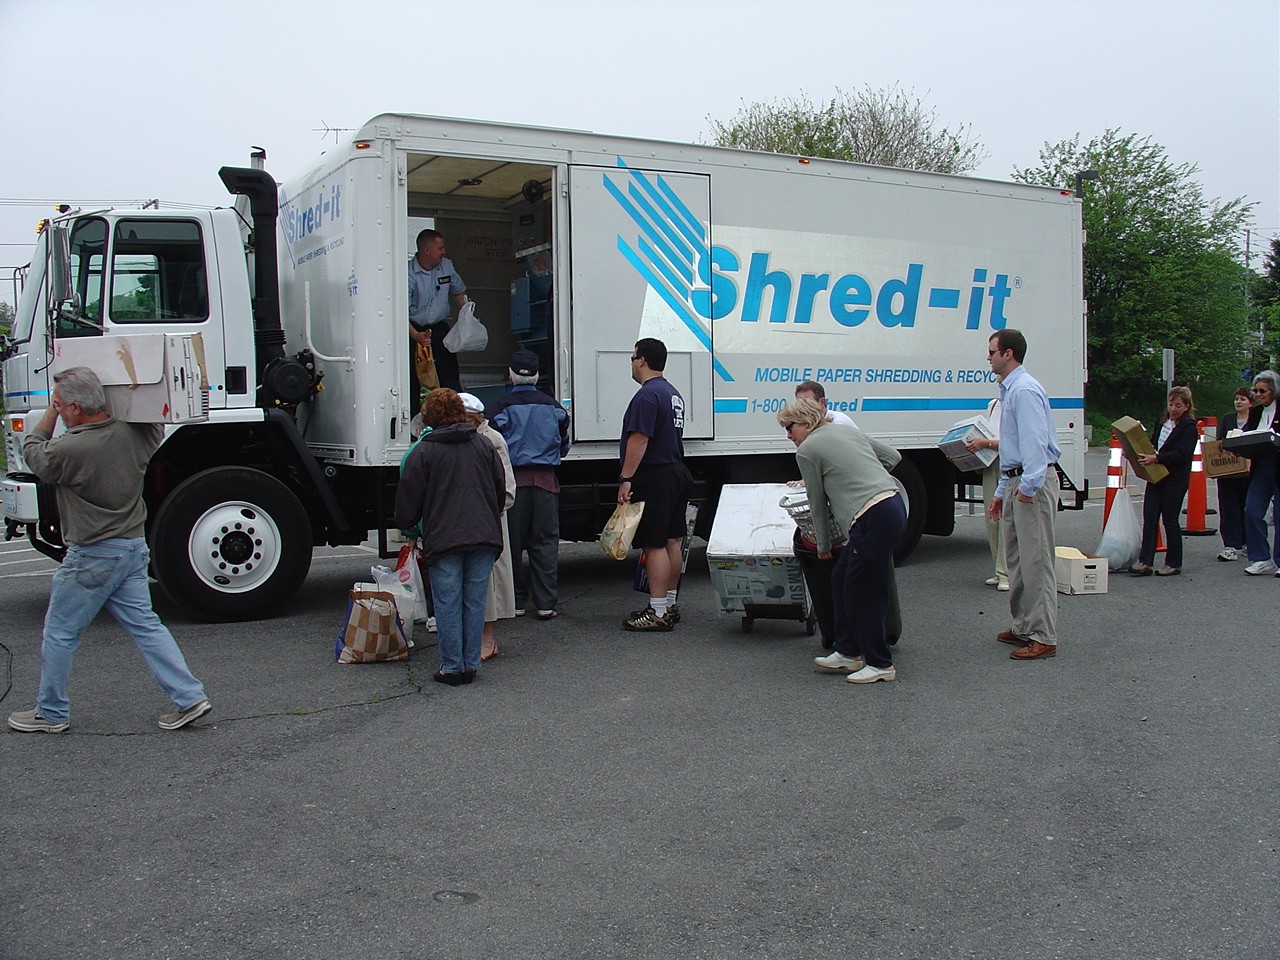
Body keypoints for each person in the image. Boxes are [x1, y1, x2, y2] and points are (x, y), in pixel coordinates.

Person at [8, 367, 211, 733]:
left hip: (93, 553)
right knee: (146, 627)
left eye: (61, 405)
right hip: (133, 546)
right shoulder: (134, 435)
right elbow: (155, 421)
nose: (58, 409)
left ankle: (50, 712)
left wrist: (49, 415)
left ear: (73, 408)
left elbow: (35, 456)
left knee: (60, 631)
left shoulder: (71, 448)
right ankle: (188, 696)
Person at [780, 399, 905, 685]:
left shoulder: (808, 450)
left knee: (864, 591)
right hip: (891, 505)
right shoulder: (846, 431)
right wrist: (865, 472)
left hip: (871, 516)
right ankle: (848, 650)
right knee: (841, 578)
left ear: (807, 423)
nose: (788, 435)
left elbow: (817, 502)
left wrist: (822, 544)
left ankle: (879, 663)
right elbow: (893, 457)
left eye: (790, 427)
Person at [394, 388, 505, 685]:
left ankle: (452, 666)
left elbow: (409, 498)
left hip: (444, 537)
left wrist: (409, 528)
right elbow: (498, 488)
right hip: (484, 533)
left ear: (431, 415)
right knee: (474, 601)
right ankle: (471, 664)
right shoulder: (483, 445)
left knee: (447, 601)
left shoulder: (424, 450)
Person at [987, 329, 1061, 661]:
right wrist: (1003, 490)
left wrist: (1029, 488)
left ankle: (1044, 635)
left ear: (1009, 354)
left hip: (1031, 483)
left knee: (1037, 561)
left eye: (992, 351)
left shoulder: (1025, 390)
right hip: (1017, 481)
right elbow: (1013, 449)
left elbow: (1035, 444)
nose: (988, 357)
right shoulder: (1010, 390)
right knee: (1016, 560)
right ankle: (1023, 626)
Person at [488, 349, 571, 620]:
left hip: (512, 483)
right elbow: (564, 445)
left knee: (510, 544)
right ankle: (546, 603)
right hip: (546, 482)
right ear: (537, 376)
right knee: (545, 543)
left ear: (510, 377)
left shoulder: (498, 408)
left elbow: (490, 446)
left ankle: (516, 601)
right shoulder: (555, 407)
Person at [618, 338, 692, 631]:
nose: (632, 363)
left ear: (643, 360)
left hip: (655, 473)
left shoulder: (647, 396)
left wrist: (626, 478)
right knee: (673, 539)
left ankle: (657, 611)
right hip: (676, 470)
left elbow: (640, 439)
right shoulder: (672, 392)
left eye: (633, 357)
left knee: (655, 542)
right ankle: (669, 604)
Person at [458, 393, 517, 661]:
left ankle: (487, 639)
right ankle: (476, 637)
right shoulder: (471, 439)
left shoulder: (491, 440)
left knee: (489, 581)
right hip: (475, 520)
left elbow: (507, 488)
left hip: (489, 521)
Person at [1129, 387, 1199, 577]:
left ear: (1186, 406)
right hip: (1156, 475)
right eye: (1171, 404)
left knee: (1170, 519)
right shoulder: (1162, 422)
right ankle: (1145, 561)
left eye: (1178, 405)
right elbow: (1153, 443)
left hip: (1175, 478)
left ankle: (1173, 563)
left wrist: (1157, 459)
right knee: (1150, 518)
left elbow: (1181, 454)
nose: (1173, 409)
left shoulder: (1189, 427)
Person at [408, 228, 468, 395]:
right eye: (440, 248)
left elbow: (458, 291)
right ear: (427, 250)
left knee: (449, 376)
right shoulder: (408, 273)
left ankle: (454, 412)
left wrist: (466, 314)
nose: (444, 252)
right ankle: (415, 416)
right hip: (414, 330)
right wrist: (416, 336)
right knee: (413, 379)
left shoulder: (446, 266)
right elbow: (400, 313)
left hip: (439, 329)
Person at [1239, 370, 1280, 576]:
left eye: (1262, 390)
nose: (1258, 394)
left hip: (1277, 462)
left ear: (1273, 391)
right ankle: (1261, 557)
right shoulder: (1256, 413)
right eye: (1255, 390)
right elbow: (1246, 435)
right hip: (1261, 465)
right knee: (1252, 510)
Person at [965, 393, 1007, 590]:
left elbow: (1014, 442)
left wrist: (986, 444)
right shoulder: (993, 405)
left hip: (1009, 462)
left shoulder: (1017, 402)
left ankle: (1007, 573)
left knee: (1006, 519)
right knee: (992, 519)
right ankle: (999, 571)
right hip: (992, 462)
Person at [1214, 386, 1254, 561]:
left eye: (1242, 399)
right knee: (1228, 506)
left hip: (1249, 471)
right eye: (1237, 398)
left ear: (1250, 403)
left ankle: (1247, 542)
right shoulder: (1227, 418)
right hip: (1228, 470)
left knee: (1247, 506)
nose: (1238, 402)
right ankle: (1230, 545)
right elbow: (1219, 442)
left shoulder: (1255, 420)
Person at [794, 380, 858, 429]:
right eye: (800, 403)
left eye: (807, 403)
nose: (802, 407)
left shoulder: (837, 423)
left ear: (822, 402)